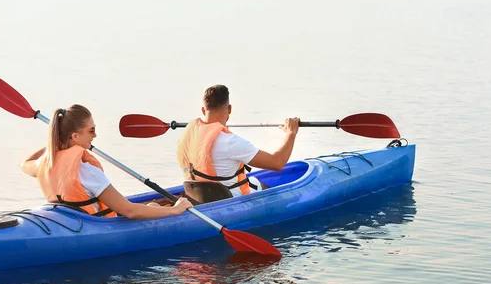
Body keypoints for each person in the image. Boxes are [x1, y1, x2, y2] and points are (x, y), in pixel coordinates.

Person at [21, 104, 193, 219]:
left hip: (68, 220)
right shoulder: (87, 170)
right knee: (155, 206)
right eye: (91, 131)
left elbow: (25, 163)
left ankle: (155, 206)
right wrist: (175, 210)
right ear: (75, 136)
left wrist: (56, 143)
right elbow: (129, 211)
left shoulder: (45, 162)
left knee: (153, 204)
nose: (95, 136)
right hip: (96, 225)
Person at [176, 85, 300, 197]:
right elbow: (277, 163)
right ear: (229, 109)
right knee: (265, 187)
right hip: (229, 197)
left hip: (197, 195)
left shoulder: (188, 136)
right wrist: (291, 133)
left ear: (203, 110)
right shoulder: (230, 142)